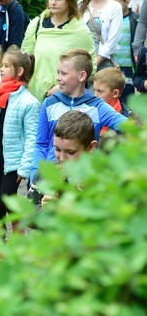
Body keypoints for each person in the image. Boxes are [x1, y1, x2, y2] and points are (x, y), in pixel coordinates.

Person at [30, 49, 127, 183]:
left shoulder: (97, 106)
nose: (58, 77)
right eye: (58, 72)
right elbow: (41, 144)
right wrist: (35, 174)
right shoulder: (49, 103)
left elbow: (129, 127)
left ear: (81, 76)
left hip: (82, 181)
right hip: (51, 178)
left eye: (63, 73)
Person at [0, 46, 40, 220]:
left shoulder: (29, 102)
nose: (1, 69)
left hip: (13, 160)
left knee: (6, 198)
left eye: (6, 66)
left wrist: (24, 168)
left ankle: (19, 232)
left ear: (19, 71)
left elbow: (32, 137)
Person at [22, 0, 96, 100]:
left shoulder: (80, 30)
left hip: (67, 95)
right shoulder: (36, 24)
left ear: (69, 1)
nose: (53, 2)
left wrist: (62, 86)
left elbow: (90, 66)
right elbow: (25, 59)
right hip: (34, 93)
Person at [28, 110, 97, 208]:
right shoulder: (46, 172)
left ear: (90, 147)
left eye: (70, 152)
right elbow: (28, 212)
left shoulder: (99, 177)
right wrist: (44, 211)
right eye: (57, 149)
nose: (62, 158)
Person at [79, 0, 124, 71]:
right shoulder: (80, 5)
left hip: (103, 65)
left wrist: (92, 66)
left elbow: (111, 43)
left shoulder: (114, 7)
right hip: (79, 64)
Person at [110, 0, 138, 100]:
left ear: (127, 2)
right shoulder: (109, 18)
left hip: (129, 65)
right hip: (113, 64)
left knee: (127, 95)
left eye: (116, 3)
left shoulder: (135, 19)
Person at [93, 68, 131, 136]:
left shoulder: (127, 120)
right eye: (94, 90)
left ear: (115, 93)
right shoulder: (89, 111)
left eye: (100, 91)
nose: (95, 95)